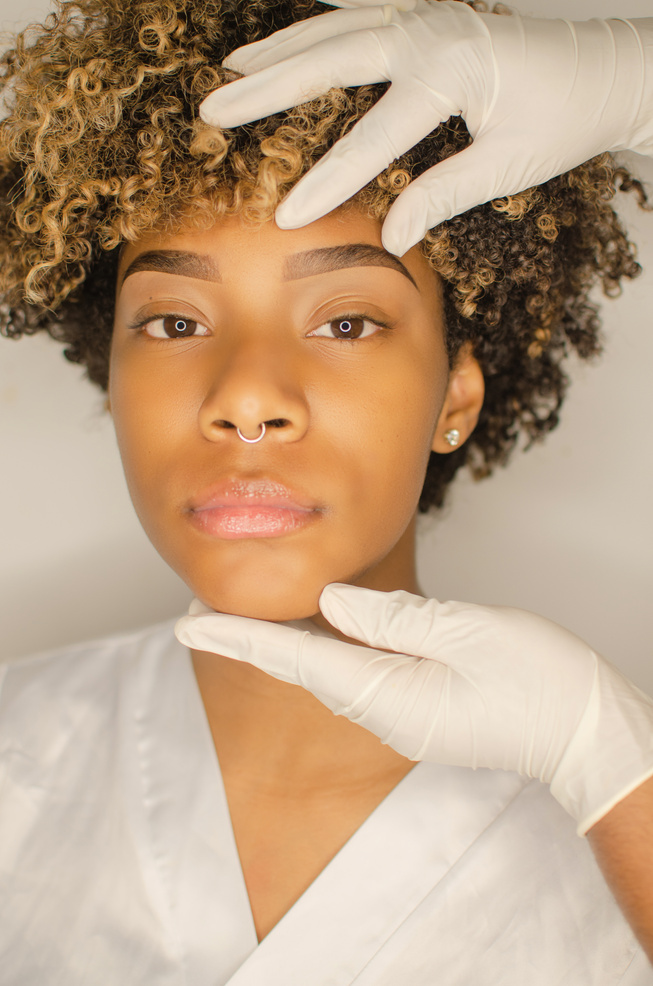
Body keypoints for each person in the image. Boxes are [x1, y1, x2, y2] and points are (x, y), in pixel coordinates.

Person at [0, 1, 652, 983]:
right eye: (175, 323)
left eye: (345, 323)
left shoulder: (614, 800)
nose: (245, 398)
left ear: (453, 397)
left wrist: (606, 759)